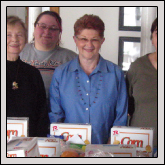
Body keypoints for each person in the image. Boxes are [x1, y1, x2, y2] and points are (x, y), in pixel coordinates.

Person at [49, 14, 128, 144]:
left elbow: (121, 116)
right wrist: (62, 145)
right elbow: (55, 115)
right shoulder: (61, 74)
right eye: (83, 39)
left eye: (95, 39)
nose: (89, 44)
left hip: (105, 150)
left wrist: (109, 146)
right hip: (69, 150)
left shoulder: (116, 74)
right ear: (75, 40)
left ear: (102, 41)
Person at [20, 11, 77, 102]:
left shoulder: (71, 58)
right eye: (42, 26)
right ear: (34, 28)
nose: (47, 31)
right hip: (25, 109)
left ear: (59, 32)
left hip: (59, 111)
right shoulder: (19, 53)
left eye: (53, 28)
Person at [7, 15, 49, 137]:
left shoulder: (33, 73)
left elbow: (41, 113)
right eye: (8, 35)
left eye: (19, 35)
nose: (14, 40)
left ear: (25, 39)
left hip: (29, 143)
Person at [126, 18, 157, 150]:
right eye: (158, 32)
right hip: (140, 145)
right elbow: (126, 104)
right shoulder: (138, 67)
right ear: (152, 38)